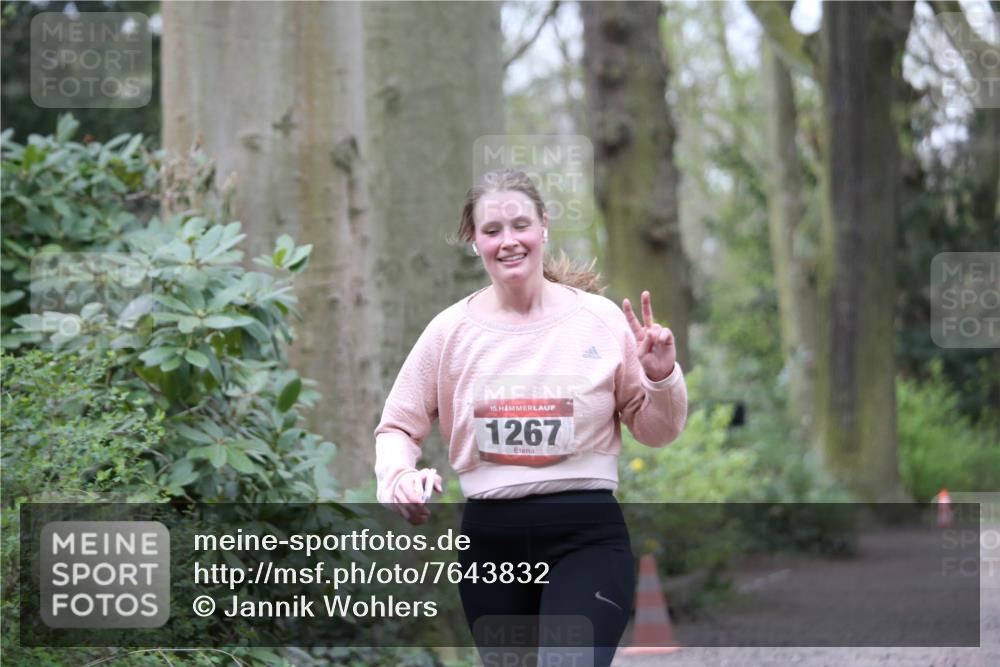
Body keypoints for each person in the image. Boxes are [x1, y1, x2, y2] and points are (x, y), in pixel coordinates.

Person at [374, 168, 688, 666]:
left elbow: (658, 430)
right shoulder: (449, 332)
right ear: (474, 242)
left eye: (520, 225)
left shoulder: (600, 320)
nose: (508, 241)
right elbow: (397, 426)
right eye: (491, 230)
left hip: (585, 536)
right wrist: (397, 479)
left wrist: (661, 376)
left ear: (543, 226)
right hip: (489, 544)